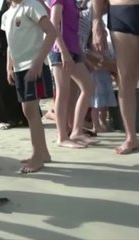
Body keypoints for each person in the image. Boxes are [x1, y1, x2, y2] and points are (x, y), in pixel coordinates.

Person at [1, 0, 56, 172]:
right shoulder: (6, 14)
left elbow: (52, 32)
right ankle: (43, 152)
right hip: (19, 68)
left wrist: (39, 62)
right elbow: (10, 42)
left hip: (33, 65)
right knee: (28, 110)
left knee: (31, 110)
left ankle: (37, 156)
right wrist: (9, 66)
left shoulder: (32, 5)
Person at [92, 0, 139, 154]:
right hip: (122, 12)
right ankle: (131, 137)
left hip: (123, 13)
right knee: (125, 79)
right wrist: (97, 22)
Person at [49, 0, 98, 148]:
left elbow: (73, 29)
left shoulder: (73, 2)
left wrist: (82, 56)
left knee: (88, 86)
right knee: (63, 92)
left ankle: (76, 131)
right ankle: (62, 136)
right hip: (60, 50)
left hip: (74, 50)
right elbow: (54, 24)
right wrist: (63, 52)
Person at [0, 2, 28, 130]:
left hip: (17, 56)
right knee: (2, 90)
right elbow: (0, 41)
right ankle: (3, 119)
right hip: (1, 59)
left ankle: (20, 117)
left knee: (17, 89)